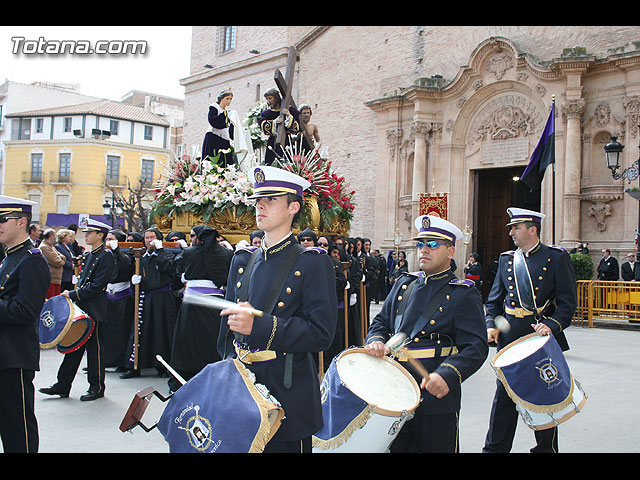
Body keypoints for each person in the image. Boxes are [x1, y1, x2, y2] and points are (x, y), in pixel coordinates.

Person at [218, 165, 337, 453]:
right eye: (258, 199)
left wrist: (259, 327)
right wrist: (222, 378)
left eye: (271, 199)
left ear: (293, 207)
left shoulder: (311, 262)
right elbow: (226, 335)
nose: (260, 205)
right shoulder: (242, 260)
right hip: (243, 392)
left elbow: (321, 334)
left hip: (287, 395)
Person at [365, 214, 488, 453]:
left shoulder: (463, 293)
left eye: (432, 245)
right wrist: (377, 340)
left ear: (450, 251)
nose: (424, 250)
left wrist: (448, 374)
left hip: (435, 394)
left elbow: (476, 347)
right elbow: (381, 322)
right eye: (421, 244)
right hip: (396, 389)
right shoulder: (405, 284)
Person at [483, 207, 577, 453]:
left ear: (533, 230)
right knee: (504, 394)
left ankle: (546, 449)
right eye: (511, 228)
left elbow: (567, 303)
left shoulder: (556, 258)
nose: (512, 232)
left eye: (516, 228)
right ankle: (495, 449)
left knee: (543, 393)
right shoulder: (506, 260)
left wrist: (552, 324)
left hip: (538, 336)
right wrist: (491, 324)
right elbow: (494, 300)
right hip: (510, 337)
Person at [40, 218, 116, 401]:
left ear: (100, 235)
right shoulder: (90, 256)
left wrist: (73, 294)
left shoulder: (106, 256)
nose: (86, 236)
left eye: (90, 233)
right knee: (73, 347)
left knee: (95, 350)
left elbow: (97, 285)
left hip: (95, 309)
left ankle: (96, 387)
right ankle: (63, 384)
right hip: (83, 308)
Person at [0, 196, 50, 453]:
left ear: (21, 222)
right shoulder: (8, 257)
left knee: (17, 428)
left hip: (14, 355)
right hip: (4, 352)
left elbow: (25, 311)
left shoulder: (31, 259)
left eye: (2, 220)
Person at [170, 224, 233, 392]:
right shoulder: (226, 253)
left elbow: (177, 268)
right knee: (212, 340)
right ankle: (214, 380)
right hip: (216, 302)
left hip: (193, 303)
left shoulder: (190, 252)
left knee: (186, 340)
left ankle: (183, 380)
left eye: (192, 236)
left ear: (199, 237)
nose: (191, 240)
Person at [120, 227, 177, 379]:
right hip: (146, 297)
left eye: (152, 237)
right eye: (147, 238)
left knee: (160, 331)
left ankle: (162, 366)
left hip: (162, 298)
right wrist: (135, 282)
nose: (149, 240)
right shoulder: (141, 257)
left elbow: (169, 269)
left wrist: (160, 252)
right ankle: (135, 365)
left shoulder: (168, 254)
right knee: (139, 331)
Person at [103, 229, 134, 371]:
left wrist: (118, 252)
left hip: (123, 295)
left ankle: (121, 361)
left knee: (121, 331)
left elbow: (126, 267)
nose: (108, 241)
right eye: (107, 239)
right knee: (107, 331)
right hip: (109, 294)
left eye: (111, 239)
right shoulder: (106, 254)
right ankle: (107, 359)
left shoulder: (126, 254)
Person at [260, 88, 301, 165]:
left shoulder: (291, 110)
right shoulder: (267, 113)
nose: (268, 101)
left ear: (276, 98)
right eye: (267, 99)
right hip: (273, 143)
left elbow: (296, 128)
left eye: (270, 98)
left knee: (288, 163)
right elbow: (262, 125)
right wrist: (275, 122)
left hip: (287, 142)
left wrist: (289, 116)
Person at [201, 90, 235, 168]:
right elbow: (213, 121)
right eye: (227, 99)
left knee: (225, 162)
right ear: (221, 99)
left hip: (224, 140)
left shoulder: (228, 112)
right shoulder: (214, 107)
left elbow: (230, 129)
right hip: (213, 138)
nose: (229, 101)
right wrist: (224, 116)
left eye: (230, 99)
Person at [39, 228, 66, 299]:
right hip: (50, 280)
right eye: (55, 236)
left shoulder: (51, 247)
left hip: (56, 280)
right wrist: (61, 260)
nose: (56, 238)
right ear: (51, 237)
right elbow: (58, 262)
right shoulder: (44, 247)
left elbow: (63, 257)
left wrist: (61, 259)